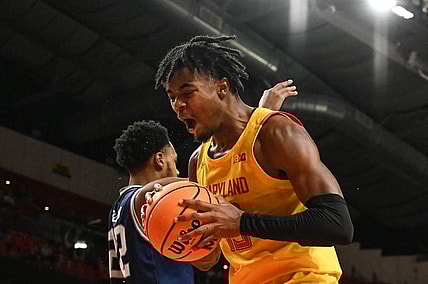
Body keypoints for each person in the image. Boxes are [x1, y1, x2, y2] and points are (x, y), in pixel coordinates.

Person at [155, 35, 354, 284]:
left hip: (303, 277)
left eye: (187, 92)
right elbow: (209, 259)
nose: (178, 105)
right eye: (172, 97)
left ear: (222, 87)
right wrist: (176, 233)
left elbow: (337, 225)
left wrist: (242, 222)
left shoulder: (275, 133)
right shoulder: (198, 162)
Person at [108, 81, 297, 282]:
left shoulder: (118, 209)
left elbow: (206, 260)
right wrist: (261, 116)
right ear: (159, 159)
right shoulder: (151, 195)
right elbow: (214, 177)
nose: (179, 170)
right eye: (174, 160)